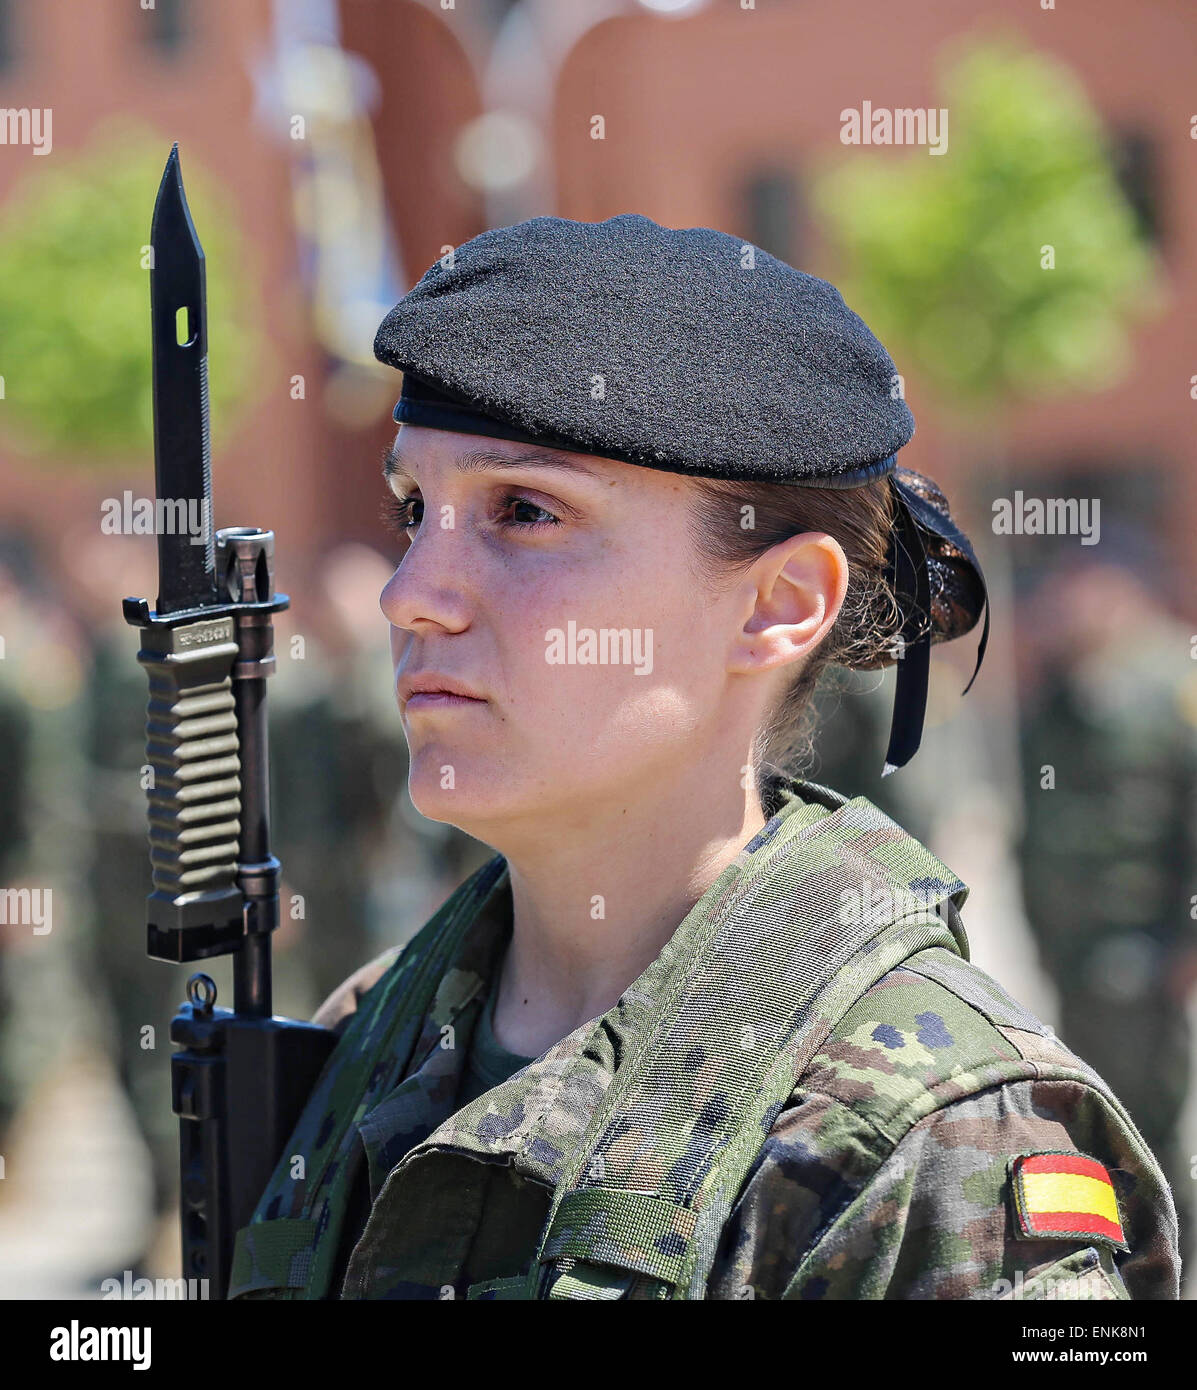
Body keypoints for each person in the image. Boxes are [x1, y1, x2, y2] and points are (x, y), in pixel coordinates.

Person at [228, 214, 1180, 1300]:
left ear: (779, 605)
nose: (412, 594)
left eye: (525, 511)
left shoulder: (930, 1137)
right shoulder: (372, 1032)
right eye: (415, 510)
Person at [1016, 555, 1197, 1278]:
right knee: (1090, 1114)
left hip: (1137, 947)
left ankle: (1171, 1259)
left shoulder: (1170, 690)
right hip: (1071, 947)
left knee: (1144, 1119)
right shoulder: (1056, 693)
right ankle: (1117, 1258)